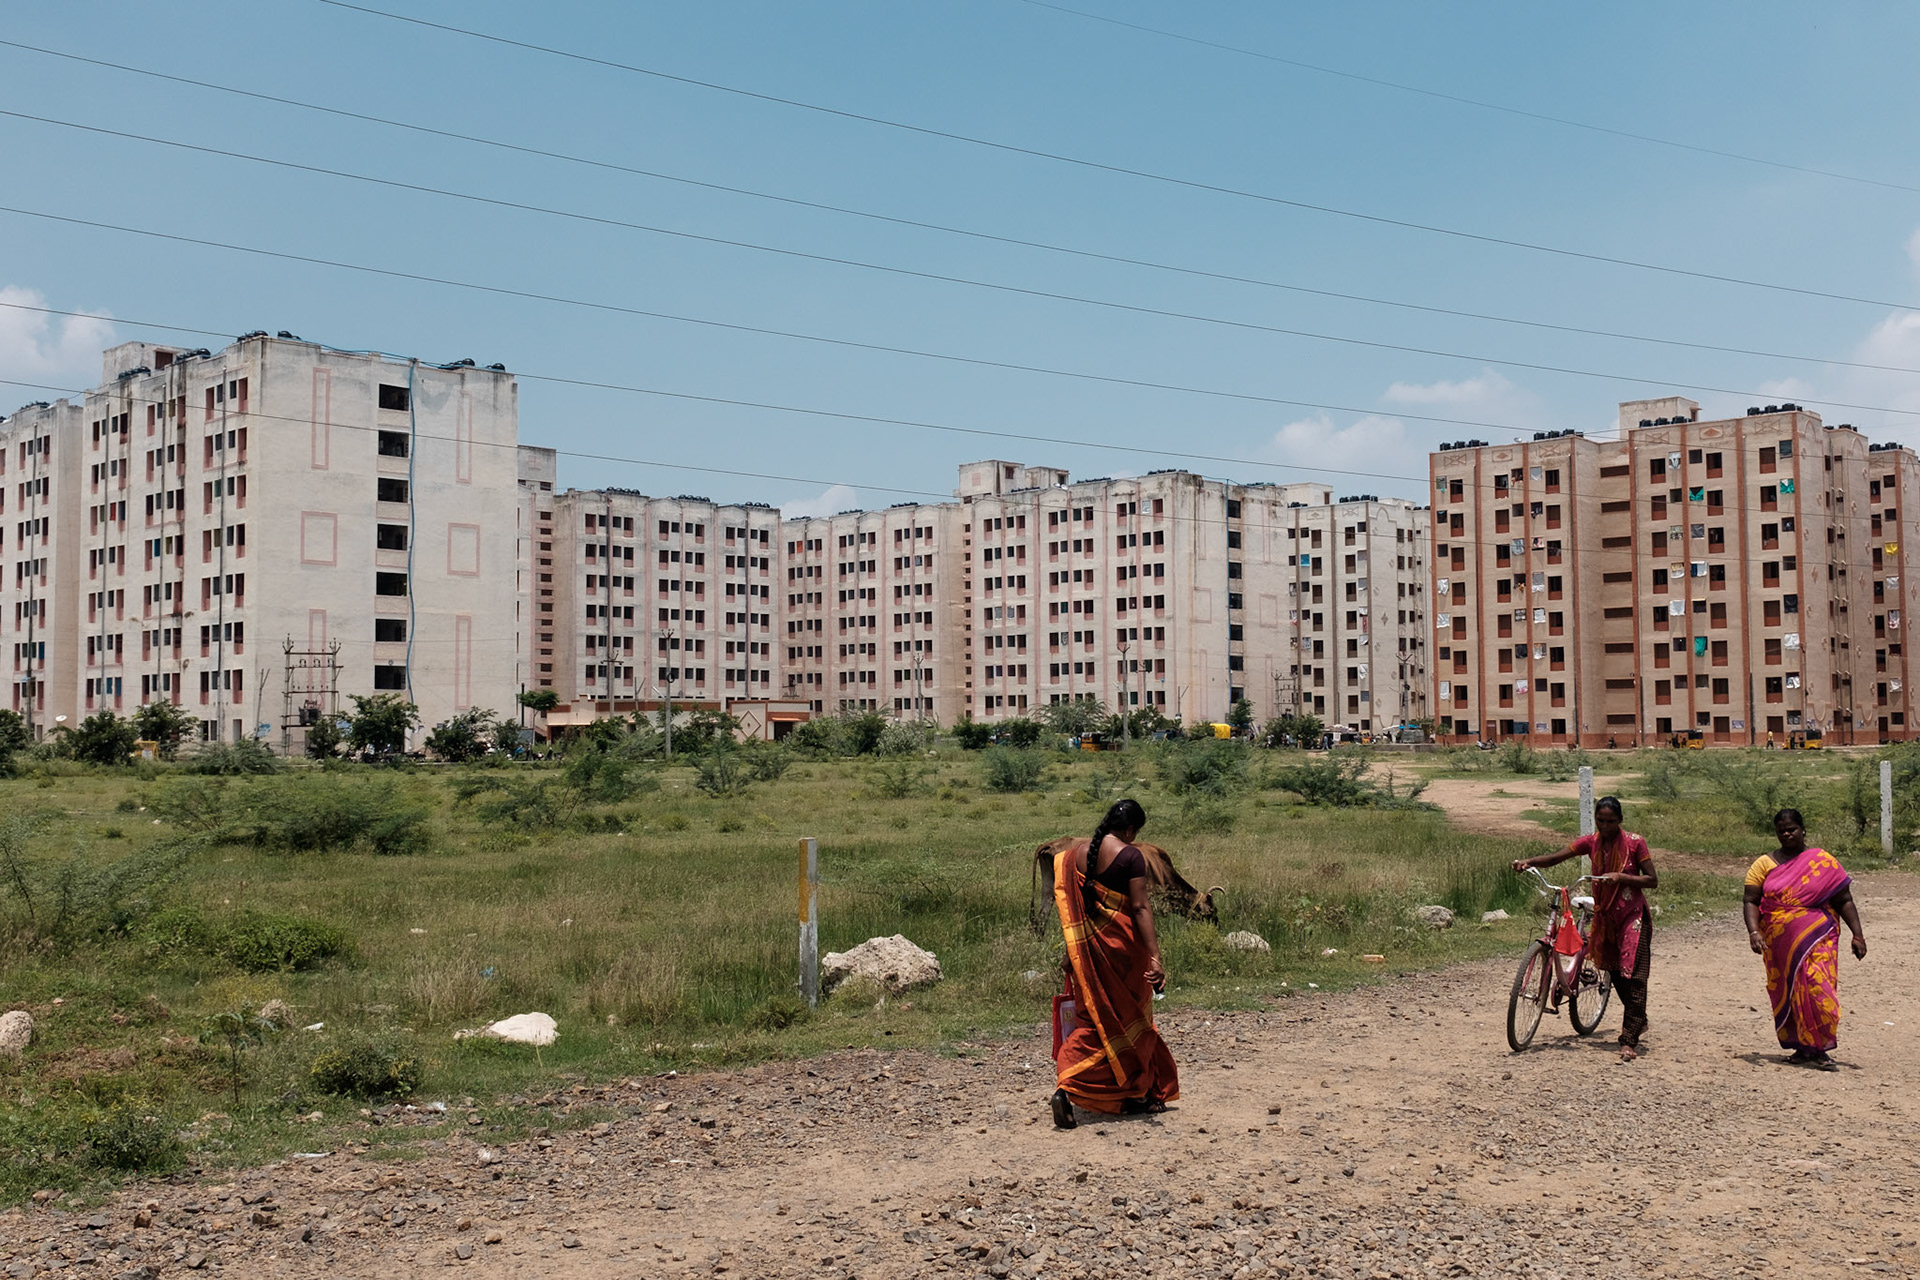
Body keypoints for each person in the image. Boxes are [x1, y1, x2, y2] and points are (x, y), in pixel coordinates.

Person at [1048, 798, 1180, 1128]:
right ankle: (1113, 1090)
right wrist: (1155, 956)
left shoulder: (1073, 856)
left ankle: (1077, 1092)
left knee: (1091, 1021)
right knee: (1133, 1021)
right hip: (1124, 955)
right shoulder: (1131, 856)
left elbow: (1073, 916)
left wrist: (1069, 955)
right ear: (1131, 830)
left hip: (1088, 956)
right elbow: (1139, 908)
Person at [1511, 796, 1658, 1060]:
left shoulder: (1636, 842)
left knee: (1633, 976)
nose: (1605, 826)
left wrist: (1622, 877)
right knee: (1612, 969)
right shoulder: (1591, 842)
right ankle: (1638, 1018)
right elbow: (1557, 857)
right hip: (1606, 916)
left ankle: (1629, 1040)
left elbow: (1652, 879)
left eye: (1611, 821)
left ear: (1620, 821)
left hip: (1631, 917)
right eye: (1601, 821)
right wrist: (1529, 861)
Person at [1743, 808, 1867, 1070]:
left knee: (1818, 989)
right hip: (1779, 945)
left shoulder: (1822, 861)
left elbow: (1844, 899)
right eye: (1781, 831)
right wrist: (1754, 932)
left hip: (1818, 939)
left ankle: (1819, 1047)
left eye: (1792, 829)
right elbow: (1751, 900)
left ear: (1803, 830)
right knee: (1788, 992)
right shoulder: (1763, 864)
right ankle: (1802, 1047)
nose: (1787, 834)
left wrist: (1858, 934)